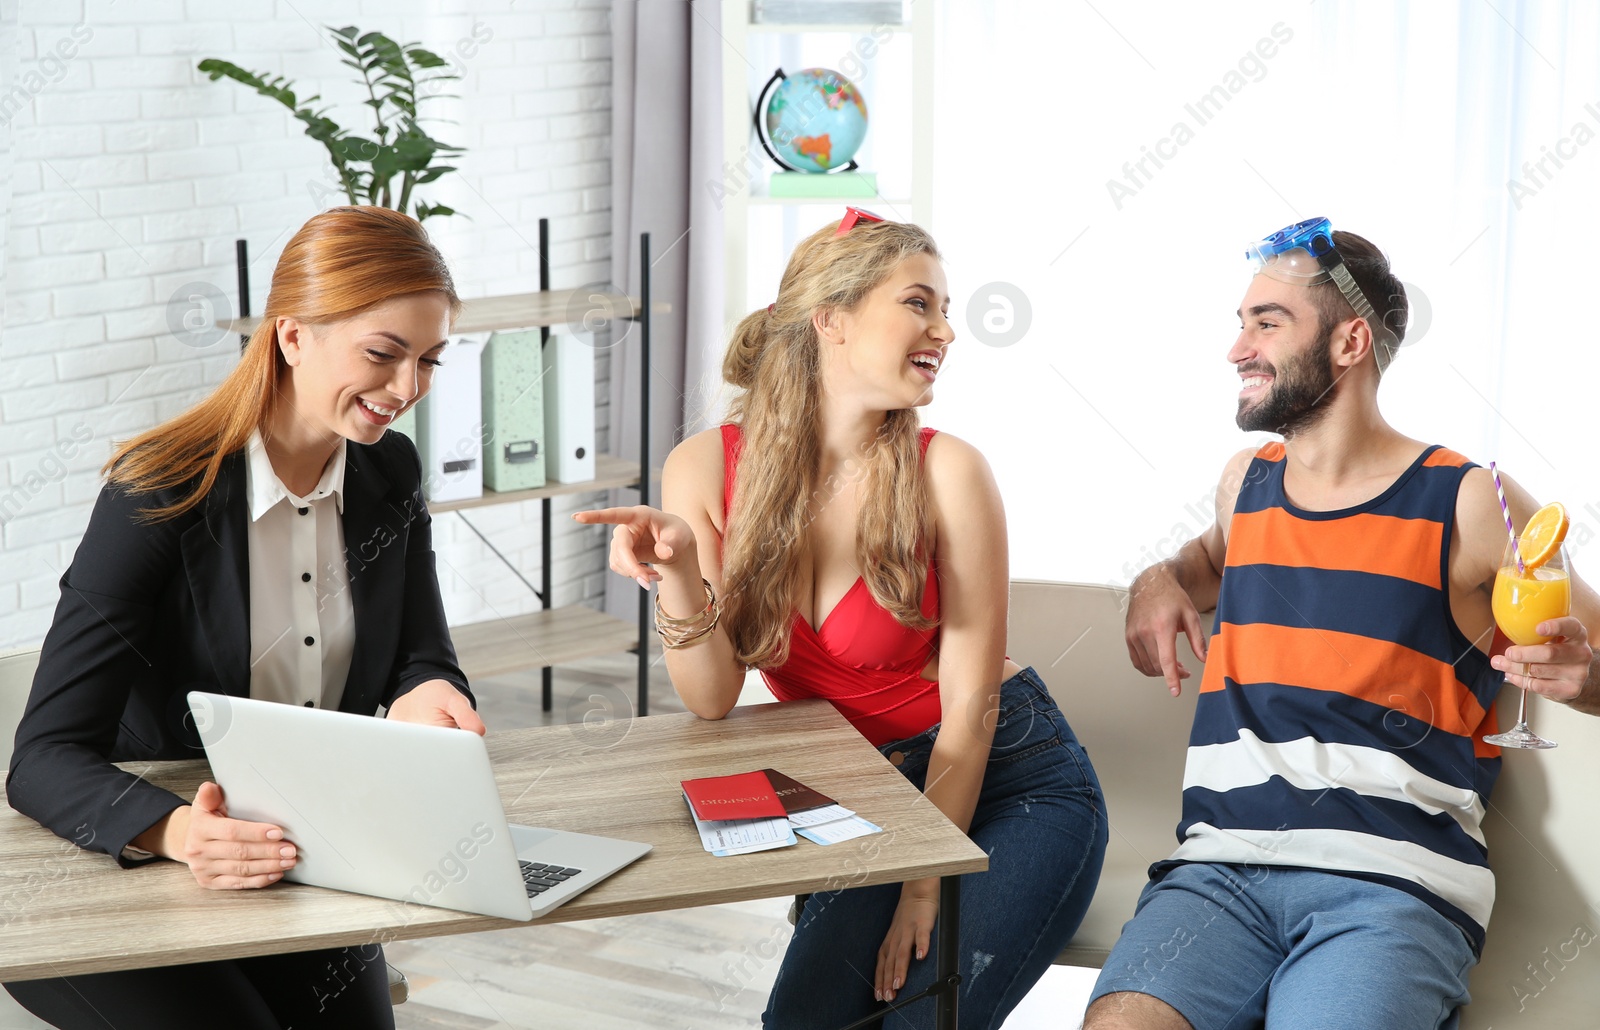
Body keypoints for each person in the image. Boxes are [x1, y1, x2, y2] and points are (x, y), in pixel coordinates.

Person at [575, 208, 1108, 1029]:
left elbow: (971, 711)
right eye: (919, 304)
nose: (946, 331)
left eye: (946, 308)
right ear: (832, 319)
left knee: (919, 1020)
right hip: (856, 789)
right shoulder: (707, 466)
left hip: (1011, 777)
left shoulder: (949, 472)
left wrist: (920, 886)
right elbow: (713, 696)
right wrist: (679, 572)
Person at [1088, 218, 1600, 1029]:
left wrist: (1589, 674)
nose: (1237, 349)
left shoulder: (1469, 501)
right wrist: (1156, 581)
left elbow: (1594, 652)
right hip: (1216, 872)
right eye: (1240, 322)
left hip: (1390, 883)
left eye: (1268, 322)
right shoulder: (1244, 485)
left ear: (1350, 342)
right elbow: (1195, 567)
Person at [5, 205, 485, 1030]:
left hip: (301, 857)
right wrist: (181, 832)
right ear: (292, 336)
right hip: (130, 875)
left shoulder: (389, 474)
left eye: (429, 361)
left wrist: (426, 691)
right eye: (384, 354)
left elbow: (420, 652)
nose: (409, 390)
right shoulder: (159, 491)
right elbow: (43, 758)